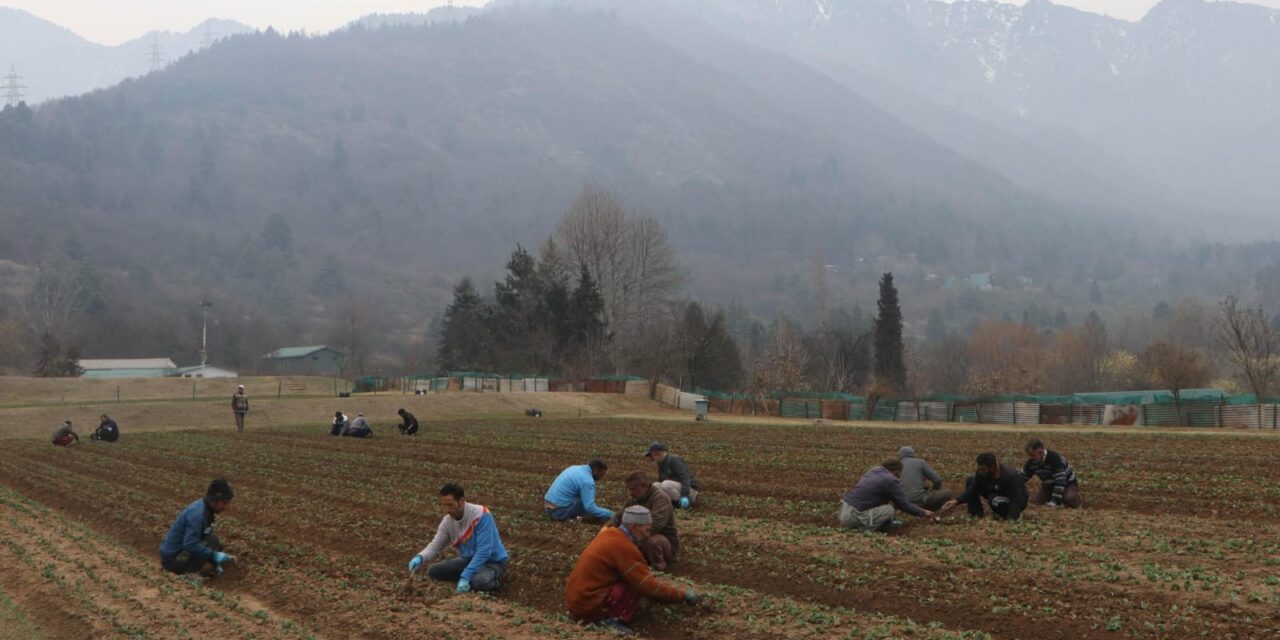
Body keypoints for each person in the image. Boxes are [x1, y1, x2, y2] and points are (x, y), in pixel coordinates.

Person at [564, 506, 700, 634]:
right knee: (634, 584)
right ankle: (609, 620)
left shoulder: (611, 534)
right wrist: (682, 595)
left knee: (631, 577)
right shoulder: (623, 546)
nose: (648, 535)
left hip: (576, 602)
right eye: (646, 530)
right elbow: (648, 586)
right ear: (634, 527)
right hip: (586, 606)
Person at [406, 483, 509, 593]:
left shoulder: (481, 515)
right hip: (468, 560)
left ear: (461, 502)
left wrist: (466, 576)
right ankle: (470, 577)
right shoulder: (447, 522)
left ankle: (494, 578)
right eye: (444, 505)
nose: (446, 509)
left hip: (492, 562)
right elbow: (435, 546)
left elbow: (484, 551)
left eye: (450, 505)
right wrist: (420, 557)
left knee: (479, 582)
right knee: (433, 571)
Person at [159, 479, 236, 577]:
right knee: (208, 567)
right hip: (173, 558)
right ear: (215, 500)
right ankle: (188, 575)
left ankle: (200, 563)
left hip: (181, 549)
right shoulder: (197, 515)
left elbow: (205, 536)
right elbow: (190, 545)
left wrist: (214, 552)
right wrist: (213, 555)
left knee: (214, 541)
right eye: (224, 503)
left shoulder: (206, 508)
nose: (225, 507)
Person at [607, 471, 678, 570]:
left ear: (644, 486)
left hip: (664, 542)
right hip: (639, 537)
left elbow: (656, 525)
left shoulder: (660, 499)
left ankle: (660, 568)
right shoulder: (634, 499)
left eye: (633, 489)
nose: (631, 493)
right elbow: (619, 517)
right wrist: (607, 530)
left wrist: (630, 537)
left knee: (654, 541)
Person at [839, 458, 934, 532]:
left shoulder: (873, 471)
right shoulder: (890, 480)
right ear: (896, 471)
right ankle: (863, 531)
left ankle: (878, 525)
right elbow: (903, 504)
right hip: (853, 516)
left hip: (845, 511)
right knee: (889, 509)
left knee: (884, 506)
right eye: (900, 472)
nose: (900, 475)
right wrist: (923, 512)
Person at [943, 453, 1029, 521]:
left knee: (994, 499)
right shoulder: (982, 474)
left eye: (983, 470)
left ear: (992, 467)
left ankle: (1008, 514)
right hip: (994, 492)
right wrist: (956, 501)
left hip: (1013, 500)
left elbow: (1017, 499)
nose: (980, 472)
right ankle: (975, 514)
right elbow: (972, 489)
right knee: (971, 480)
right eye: (979, 469)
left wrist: (1012, 518)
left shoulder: (1010, 476)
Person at [544, 460, 614, 522]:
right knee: (588, 506)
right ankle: (573, 518)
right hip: (558, 512)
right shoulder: (587, 481)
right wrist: (610, 514)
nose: (601, 477)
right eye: (601, 474)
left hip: (547, 507)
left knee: (584, 499)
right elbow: (589, 507)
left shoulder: (574, 468)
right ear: (596, 471)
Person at [1021, 439, 1083, 508]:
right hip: (1049, 485)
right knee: (1037, 502)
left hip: (1068, 483)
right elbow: (1022, 477)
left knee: (1069, 499)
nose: (1030, 458)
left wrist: (1054, 501)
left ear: (1040, 452)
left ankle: (1077, 499)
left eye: (1032, 455)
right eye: (1029, 455)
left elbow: (1061, 481)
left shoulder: (1054, 459)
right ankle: (1057, 500)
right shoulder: (1031, 462)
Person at [645, 442, 700, 509]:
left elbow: (685, 478)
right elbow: (661, 481)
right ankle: (666, 504)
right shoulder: (661, 463)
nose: (651, 458)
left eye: (651, 455)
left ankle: (683, 506)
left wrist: (685, 496)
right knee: (655, 486)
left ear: (657, 453)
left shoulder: (673, 460)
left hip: (690, 492)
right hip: (677, 490)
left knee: (666, 484)